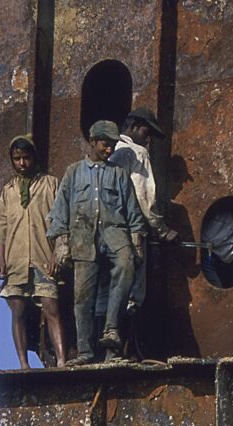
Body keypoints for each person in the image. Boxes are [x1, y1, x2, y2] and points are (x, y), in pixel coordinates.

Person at [48, 120, 147, 366]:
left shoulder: (119, 174)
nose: (110, 150)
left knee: (126, 265)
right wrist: (62, 242)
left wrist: (136, 244)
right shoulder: (73, 173)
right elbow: (60, 211)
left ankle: (111, 331)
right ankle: (85, 353)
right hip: (83, 237)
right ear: (92, 142)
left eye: (113, 145)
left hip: (114, 234)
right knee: (83, 296)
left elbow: (133, 212)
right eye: (105, 145)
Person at [0, 134, 67, 369]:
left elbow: (61, 222)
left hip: (43, 258)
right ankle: (23, 363)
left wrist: (56, 255)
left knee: (52, 307)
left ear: (34, 158)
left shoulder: (50, 184)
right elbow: (1, 230)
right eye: (17, 159)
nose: (22, 163)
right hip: (16, 261)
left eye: (26, 158)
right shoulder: (8, 191)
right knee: (18, 310)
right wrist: (1, 260)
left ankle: (62, 360)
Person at [108, 107, 178, 318]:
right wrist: (163, 230)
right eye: (146, 134)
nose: (147, 141)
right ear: (134, 127)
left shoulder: (110, 151)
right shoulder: (138, 153)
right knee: (132, 293)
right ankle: (124, 343)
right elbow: (144, 198)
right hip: (132, 230)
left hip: (108, 231)